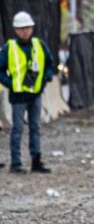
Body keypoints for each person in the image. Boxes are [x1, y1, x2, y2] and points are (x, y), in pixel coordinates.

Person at [0, 11, 57, 174]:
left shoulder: (39, 45)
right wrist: (10, 83)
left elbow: (49, 63)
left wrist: (46, 77)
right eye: (22, 28)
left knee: (35, 128)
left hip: (35, 94)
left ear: (32, 28)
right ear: (16, 30)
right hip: (18, 95)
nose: (25, 31)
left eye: (28, 28)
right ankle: (16, 163)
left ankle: (36, 162)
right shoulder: (9, 47)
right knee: (17, 129)